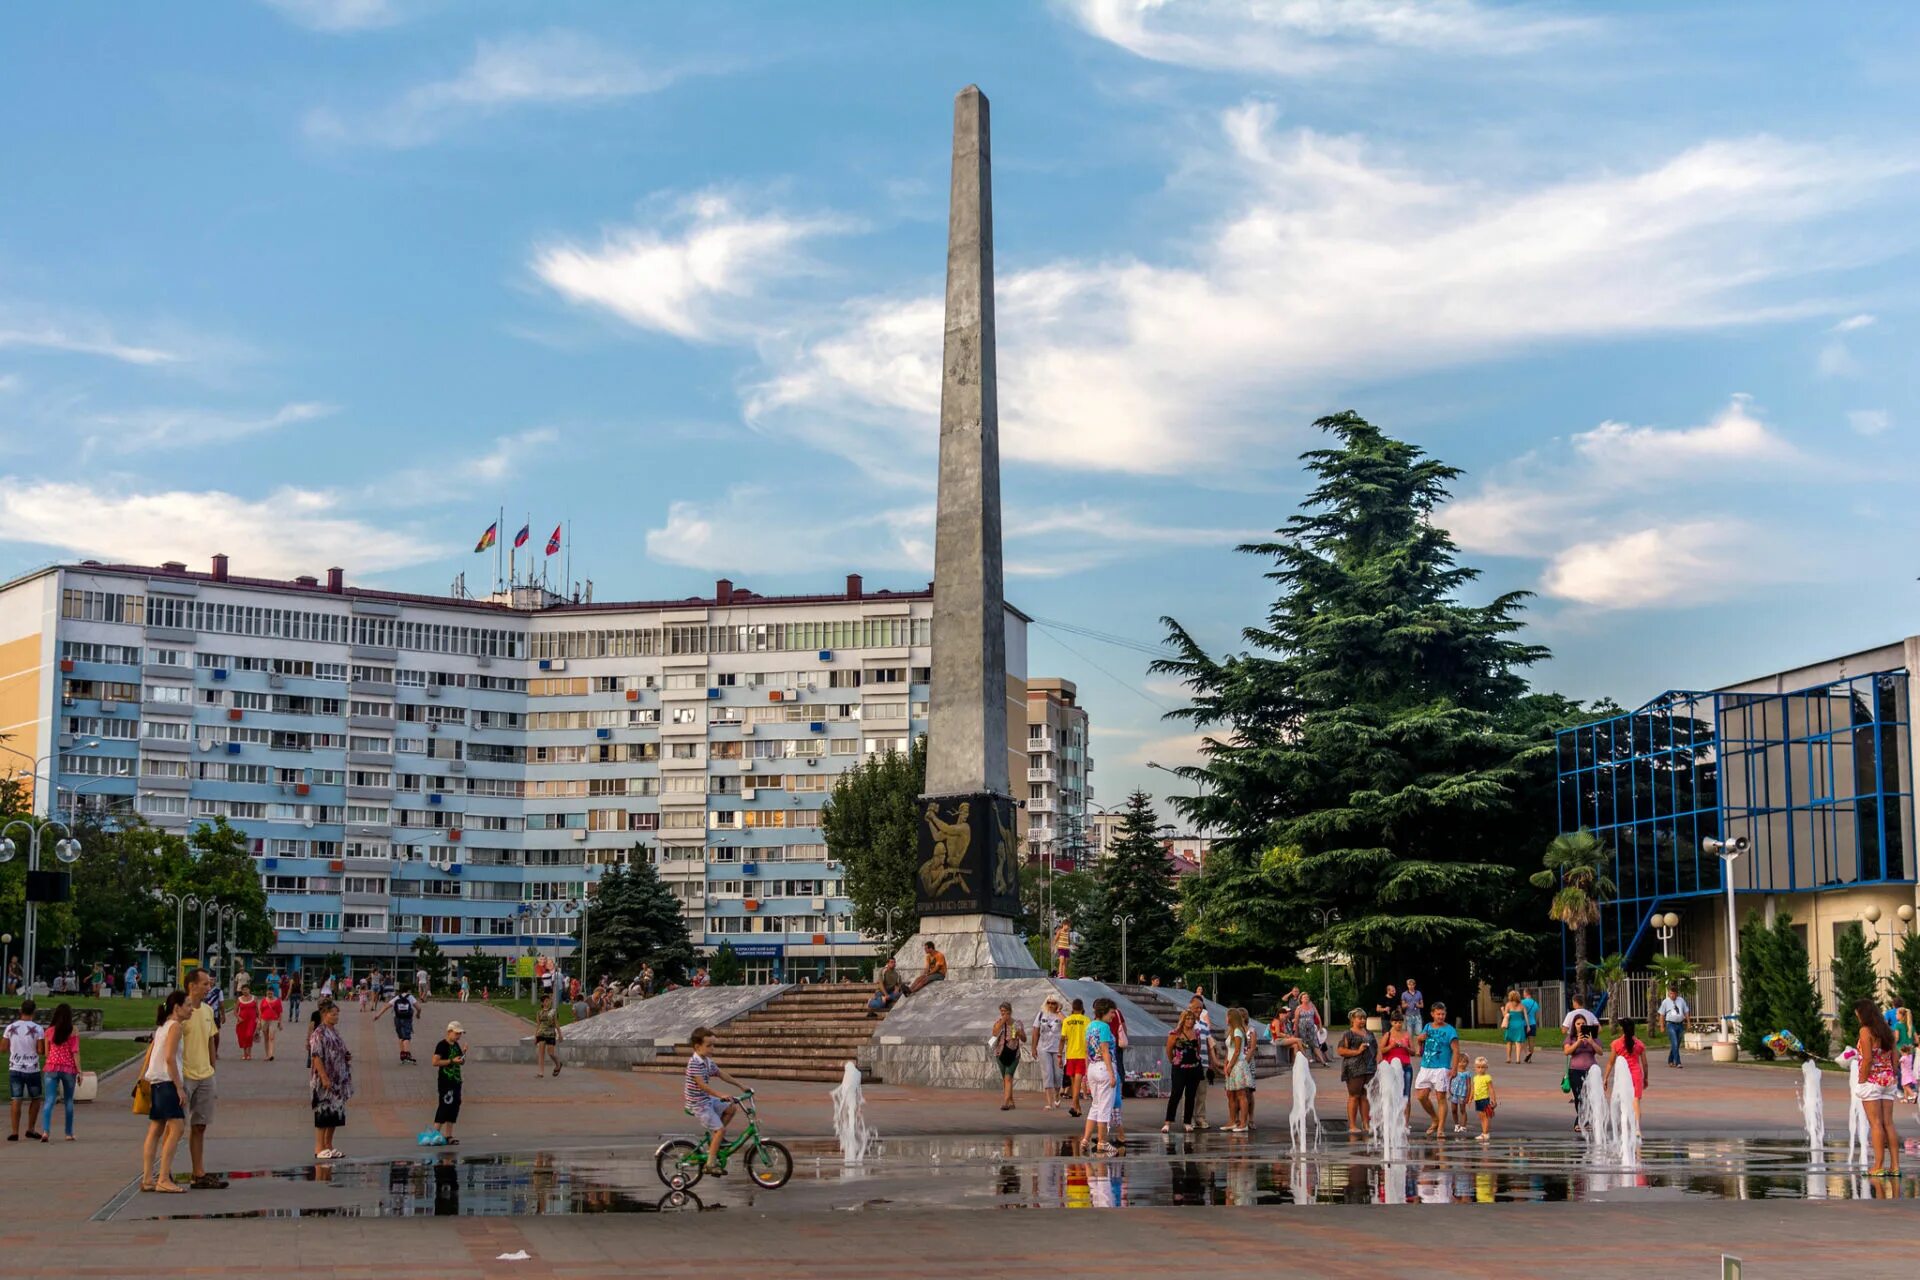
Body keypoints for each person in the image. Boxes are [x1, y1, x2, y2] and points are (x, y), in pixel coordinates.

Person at [139, 992, 191, 1193]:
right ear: (176, 1008)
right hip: (168, 1083)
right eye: (187, 1005)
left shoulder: (162, 1026)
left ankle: (147, 1178)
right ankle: (163, 1178)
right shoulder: (175, 1026)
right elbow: (170, 1058)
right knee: (176, 1129)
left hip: (156, 1083)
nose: (191, 1008)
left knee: (155, 1130)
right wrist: (179, 1088)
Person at [182, 969, 227, 1189]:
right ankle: (164, 1173)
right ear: (192, 985)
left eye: (209, 985)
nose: (209, 988)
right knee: (174, 1127)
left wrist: (212, 1068)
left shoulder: (208, 1010)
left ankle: (198, 1173)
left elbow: (211, 1039)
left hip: (205, 1075)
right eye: (205, 984)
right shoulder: (179, 1010)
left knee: (200, 1126)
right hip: (184, 1077)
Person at [685, 1026, 747, 1175]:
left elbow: (720, 1074)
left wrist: (741, 1085)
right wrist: (720, 1095)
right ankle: (710, 1164)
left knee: (731, 1108)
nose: (713, 1048)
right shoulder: (695, 1063)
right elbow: (702, 1085)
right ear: (697, 1047)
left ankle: (716, 1139)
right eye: (709, 1045)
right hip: (698, 1103)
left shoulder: (707, 1061)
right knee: (720, 1129)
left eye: (714, 1045)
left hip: (706, 1099)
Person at [1852, 995, 1901, 1176]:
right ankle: (1895, 1166)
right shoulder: (1886, 1030)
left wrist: (1862, 1080)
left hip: (1872, 1081)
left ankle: (1878, 1166)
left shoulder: (1866, 1031)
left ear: (1863, 1014)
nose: (1857, 1017)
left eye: (1857, 1014)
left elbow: (1867, 1059)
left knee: (1875, 1124)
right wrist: (1891, 1074)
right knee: (1888, 1123)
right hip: (1888, 1080)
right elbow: (1895, 1058)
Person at [308, 1000, 352, 1160]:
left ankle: (329, 1145)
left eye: (337, 1013)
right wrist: (324, 1077)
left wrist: (346, 1055)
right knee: (324, 1112)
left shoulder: (334, 1031)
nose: (336, 1016)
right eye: (333, 1014)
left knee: (336, 1113)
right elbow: (316, 1056)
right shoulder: (319, 1033)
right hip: (324, 1080)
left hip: (339, 1079)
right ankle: (319, 1148)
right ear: (324, 1014)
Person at [1080, 998, 1121, 1155]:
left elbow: (1086, 1050)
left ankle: (1085, 1139)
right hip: (1104, 1068)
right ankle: (1102, 1142)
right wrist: (1112, 1074)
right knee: (1104, 1107)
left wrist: (1086, 1072)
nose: (1113, 1016)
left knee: (1095, 1106)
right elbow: (1105, 1050)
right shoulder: (1104, 1027)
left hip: (1092, 1068)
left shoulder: (1090, 1026)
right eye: (1112, 1012)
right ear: (1104, 1012)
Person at [1413, 1002, 1459, 1138]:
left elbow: (1456, 1050)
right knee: (1421, 1096)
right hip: (1426, 1065)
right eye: (1438, 1014)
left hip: (1441, 1067)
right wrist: (1419, 1039)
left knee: (1441, 1098)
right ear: (1432, 1014)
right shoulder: (1427, 1026)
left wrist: (1454, 1068)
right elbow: (1420, 1046)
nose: (1441, 1016)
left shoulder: (1450, 1030)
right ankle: (1434, 1118)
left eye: (1443, 1014)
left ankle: (1440, 1128)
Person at [4, 998, 44, 1141]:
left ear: (20, 1011)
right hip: (32, 1068)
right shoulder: (38, 1029)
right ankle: (30, 1128)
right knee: (36, 1098)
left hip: (15, 1067)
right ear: (34, 1012)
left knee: (16, 1098)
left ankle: (15, 1131)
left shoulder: (10, 1028)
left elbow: (3, 1048)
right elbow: (40, 1050)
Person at [39, 1003, 80, 1142]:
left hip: (51, 1067)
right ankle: (68, 1133)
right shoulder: (73, 1031)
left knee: (49, 1100)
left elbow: (46, 1052)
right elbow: (75, 1052)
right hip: (68, 1068)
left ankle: (45, 1131)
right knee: (68, 1101)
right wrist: (79, 1070)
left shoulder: (49, 1031)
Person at [1335, 1007, 1377, 1136]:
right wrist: (1357, 1051)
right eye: (1360, 1018)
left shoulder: (1370, 1033)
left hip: (1369, 1067)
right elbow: (1340, 1050)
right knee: (1354, 1096)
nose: (1362, 1020)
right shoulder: (1348, 1034)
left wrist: (1378, 1062)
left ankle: (1366, 1123)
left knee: (1365, 1096)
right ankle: (1352, 1125)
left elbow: (1376, 1049)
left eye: (1364, 1018)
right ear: (1353, 1019)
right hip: (1354, 1068)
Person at [1162, 1009, 1205, 1132]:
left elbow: (1198, 1048)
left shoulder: (1196, 1033)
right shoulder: (1175, 1034)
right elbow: (1169, 1050)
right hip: (1180, 1068)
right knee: (1176, 1093)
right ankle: (1168, 1122)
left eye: (1192, 1019)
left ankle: (1187, 1121)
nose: (1190, 1021)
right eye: (1188, 1019)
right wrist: (1174, 1060)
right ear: (1183, 1019)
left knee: (1191, 1095)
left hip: (1194, 1067)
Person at [428, 1021, 465, 1145]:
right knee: (445, 1105)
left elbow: (459, 1060)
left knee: (455, 1105)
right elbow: (435, 1062)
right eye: (456, 1033)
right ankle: (435, 1133)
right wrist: (451, 1061)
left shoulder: (456, 1045)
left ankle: (449, 1135)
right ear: (449, 1032)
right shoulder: (442, 1045)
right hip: (445, 1080)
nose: (458, 1036)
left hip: (456, 1079)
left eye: (460, 1034)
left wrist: (463, 1056)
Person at [1605, 1017, 1648, 1126]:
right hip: (1636, 1074)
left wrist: (1605, 1078)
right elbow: (1645, 1064)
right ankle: (1637, 1128)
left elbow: (1611, 1062)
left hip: (1623, 1076)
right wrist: (1645, 1078)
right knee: (1636, 1100)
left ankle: (1624, 1126)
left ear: (1622, 1029)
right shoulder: (1639, 1044)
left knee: (1623, 1101)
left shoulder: (1616, 1044)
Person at [1564, 1016, 1603, 1131]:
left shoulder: (1593, 1037)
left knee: (1589, 1096)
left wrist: (1591, 1042)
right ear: (1574, 1026)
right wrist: (1578, 1042)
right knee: (1579, 1097)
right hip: (1575, 1070)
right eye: (1578, 1023)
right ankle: (1582, 1120)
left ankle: (1583, 1122)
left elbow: (1600, 1052)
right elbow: (1567, 1051)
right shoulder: (1570, 1038)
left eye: (1583, 1023)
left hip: (1591, 1070)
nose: (1580, 1025)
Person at [1223, 1006, 1257, 1134]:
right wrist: (1225, 1063)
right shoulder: (1232, 1031)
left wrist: (1230, 1065)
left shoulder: (1238, 1031)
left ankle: (1243, 1123)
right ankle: (1232, 1121)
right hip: (1232, 1064)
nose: (1226, 1019)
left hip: (1238, 1064)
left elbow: (1237, 1051)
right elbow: (1229, 1050)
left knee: (1241, 1094)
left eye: (1227, 1016)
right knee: (1231, 1094)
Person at [1030, 995, 1064, 1109]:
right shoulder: (1041, 1014)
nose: (1051, 1005)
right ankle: (1049, 1102)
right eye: (1049, 1002)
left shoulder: (1061, 1015)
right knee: (1047, 1074)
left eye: (1053, 1003)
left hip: (1057, 1048)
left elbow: (1067, 1025)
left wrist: (1059, 1011)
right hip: (1043, 1048)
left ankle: (1057, 1095)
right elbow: (1035, 1031)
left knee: (1058, 1075)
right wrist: (1033, 1047)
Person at [375, 985, 421, 1064]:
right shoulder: (410, 997)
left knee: (400, 1037)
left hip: (397, 1019)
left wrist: (378, 1015)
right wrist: (418, 1014)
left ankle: (402, 1054)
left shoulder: (397, 997)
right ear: (408, 990)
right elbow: (419, 1008)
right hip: (407, 1019)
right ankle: (407, 1056)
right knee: (407, 1037)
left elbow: (386, 1006)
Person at [1379, 1013, 1415, 1114]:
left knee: (1406, 1094)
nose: (1398, 1025)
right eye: (1395, 1022)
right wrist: (1391, 1046)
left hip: (1406, 1066)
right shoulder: (1388, 1034)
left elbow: (1413, 1052)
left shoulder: (1407, 1034)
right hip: (1391, 1068)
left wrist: (1405, 1047)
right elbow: (1382, 1050)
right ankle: (1392, 1117)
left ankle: (1406, 1124)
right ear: (1391, 1023)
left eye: (1400, 1022)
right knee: (1391, 1094)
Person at [990, 1002, 1024, 1111]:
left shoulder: (1017, 1023)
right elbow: (994, 1033)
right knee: (1005, 1078)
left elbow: (1024, 1039)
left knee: (1008, 1077)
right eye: (1002, 1012)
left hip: (1014, 1053)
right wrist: (1002, 1022)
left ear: (1010, 1011)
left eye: (1006, 1012)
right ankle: (1011, 1101)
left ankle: (1005, 1102)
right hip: (1000, 1053)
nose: (1004, 1014)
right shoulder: (999, 1022)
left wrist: (1019, 1033)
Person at [1061, 998, 1090, 1117]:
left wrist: (1059, 1054)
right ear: (1082, 1008)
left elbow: (1063, 1038)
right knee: (1077, 1082)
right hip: (1082, 1054)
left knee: (1074, 1082)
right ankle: (1076, 1107)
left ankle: (1075, 1107)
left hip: (1070, 1054)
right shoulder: (1087, 1020)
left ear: (1072, 1008)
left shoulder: (1067, 1021)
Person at [1190, 994, 1214, 1129]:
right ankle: (1188, 1118)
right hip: (1190, 1063)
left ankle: (1200, 1117)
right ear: (1190, 1007)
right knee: (1189, 1093)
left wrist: (1212, 1061)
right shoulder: (1187, 1022)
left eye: (1200, 1008)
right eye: (1196, 1008)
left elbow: (1210, 1043)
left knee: (1201, 1093)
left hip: (1203, 1063)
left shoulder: (1204, 1025)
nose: (1198, 1010)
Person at [1657, 984, 1690, 1068]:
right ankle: (1678, 1062)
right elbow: (1661, 1015)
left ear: (1677, 994)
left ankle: (1670, 1060)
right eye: (1670, 993)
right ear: (1668, 993)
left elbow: (1686, 1011)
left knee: (1677, 1044)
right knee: (1674, 1042)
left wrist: (1688, 1022)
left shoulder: (1681, 1000)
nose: (1672, 995)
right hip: (1670, 1024)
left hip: (1680, 1024)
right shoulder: (1665, 1002)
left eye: (1674, 994)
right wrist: (1662, 1026)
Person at [533, 994, 563, 1078]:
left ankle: (558, 1063)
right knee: (541, 1053)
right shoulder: (539, 1012)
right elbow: (538, 1025)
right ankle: (541, 1072)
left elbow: (556, 1023)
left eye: (549, 1000)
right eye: (546, 1001)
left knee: (550, 1053)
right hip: (541, 1034)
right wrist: (535, 1036)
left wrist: (560, 1034)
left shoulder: (553, 1011)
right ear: (542, 1003)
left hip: (550, 1034)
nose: (548, 1002)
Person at [1470, 1055, 1497, 1141]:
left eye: (1483, 1067)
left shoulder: (1487, 1077)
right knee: (1481, 1117)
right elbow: (1473, 1089)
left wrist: (1493, 1099)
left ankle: (1486, 1133)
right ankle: (1483, 1132)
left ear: (1486, 1068)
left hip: (1484, 1099)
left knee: (1485, 1117)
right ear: (1475, 1068)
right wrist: (1470, 1098)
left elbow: (1491, 1089)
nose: (1480, 1069)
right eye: (1478, 1067)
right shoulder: (1475, 1078)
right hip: (1477, 1099)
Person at [1447, 1043, 1471, 1133]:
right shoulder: (1454, 1071)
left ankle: (1463, 1126)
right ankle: (1456, 1124)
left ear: (1467, 1063)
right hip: (1454, 1093)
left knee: (1462, 1109)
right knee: (1453, 1109)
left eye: (1464, 1062)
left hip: (1463, 1093)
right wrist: (1449, 1089)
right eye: (1460, 1062)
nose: (1462, 1064)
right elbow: (1450, 1080)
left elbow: (1469, 1085)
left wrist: (1468, 1095)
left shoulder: (1467, 1073)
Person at [1501, 990, 1527, 1064]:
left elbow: (1505, 1016)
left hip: (1511, 1025)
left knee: (1509, 1042)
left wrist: (1502, 1010)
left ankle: (1508, 1058)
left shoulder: (1508, 1005)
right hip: (1519, 1025)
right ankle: (1518, 1059)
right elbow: (1525, 1016)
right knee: (1518, 1042)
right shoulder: (1521, 1005)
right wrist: (1527, 1026)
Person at [234, 985, 259, 1061]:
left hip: (252, 1020)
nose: (245, 991)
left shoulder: (254, 998)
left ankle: (249, 1053)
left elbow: (257, 1010)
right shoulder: (239, 999)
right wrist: (238, 1018)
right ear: (241, 991)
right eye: (243, 990)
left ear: (249, 990)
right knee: (243, 1037)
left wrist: (258, 1019)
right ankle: (245, 1053)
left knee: (249, 1035)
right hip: (242, 1021)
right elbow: (235, 1011)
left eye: (246, 989)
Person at [257, 985, 282, 1061]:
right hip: (264, 1020)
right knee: (266, 1038)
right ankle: (267, 1054)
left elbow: (280, 1012)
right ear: (266, 993)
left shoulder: (277, 1001)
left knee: (271, 1037)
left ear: (273, 993)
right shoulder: (264, 1000)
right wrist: (259, 1021)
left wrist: (280, 1022)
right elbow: (260, 1011)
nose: (270, 994)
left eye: (271, 993)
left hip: (273, 1020)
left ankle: (271, 1054)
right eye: (268, 993)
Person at [1520, 989, 1541, 1061]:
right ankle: (1530, 1057)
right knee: (1531, 1041)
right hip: (1532, 1023)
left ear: (1526, 993)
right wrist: (1536, 1022)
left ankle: (1527, 1054)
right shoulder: (1535, 1003)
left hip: (1523, 1023)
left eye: (1523, 992)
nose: (1523, 994)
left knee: (1523, 1040)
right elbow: (1537, 1015)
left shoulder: (1522, 1002)